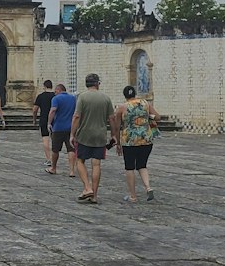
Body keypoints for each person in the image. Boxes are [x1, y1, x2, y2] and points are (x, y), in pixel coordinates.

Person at [70, 73, 115, 204]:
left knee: (80, 161)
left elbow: (77, 116)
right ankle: (94, 195)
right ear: (97, 83)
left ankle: (87, 187)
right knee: (96, 164)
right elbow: (112, 118)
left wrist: (72, 134)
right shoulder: (106, 98)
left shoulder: (82, 97)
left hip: (84, 134)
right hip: (100, 135)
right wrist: (113, 135)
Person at [112, 84, 161, 203]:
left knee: (129, 167)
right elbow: (158, 117)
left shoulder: (122, 108)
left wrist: (117, 143)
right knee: (142, 165)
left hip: (130, 141)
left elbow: (117, 127)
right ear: (135, 94)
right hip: (146, 139)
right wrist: (148, 116)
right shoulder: (145, 103)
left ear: (125, 96)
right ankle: (148, 187)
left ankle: (133, 196)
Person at [47, 83, 77, 177]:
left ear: (59, 90)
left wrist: (49, 123)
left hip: (58, 127)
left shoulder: (56, 99)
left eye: (55, 92)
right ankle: (72, 171)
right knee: (71, 149)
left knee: (55, 149)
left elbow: (53, 110)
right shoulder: (73, 98)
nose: (55, 93)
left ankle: (53, 168)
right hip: (71, 127)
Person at [33, 79, 55, 166]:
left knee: (45, 139)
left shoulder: (40, 96)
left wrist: (34, 119)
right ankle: (54, 158)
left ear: (44, 87)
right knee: (54, 140)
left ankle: (48, 159)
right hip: (54, 120)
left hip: (43, 119)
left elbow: (35, 109)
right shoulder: (55, 96)